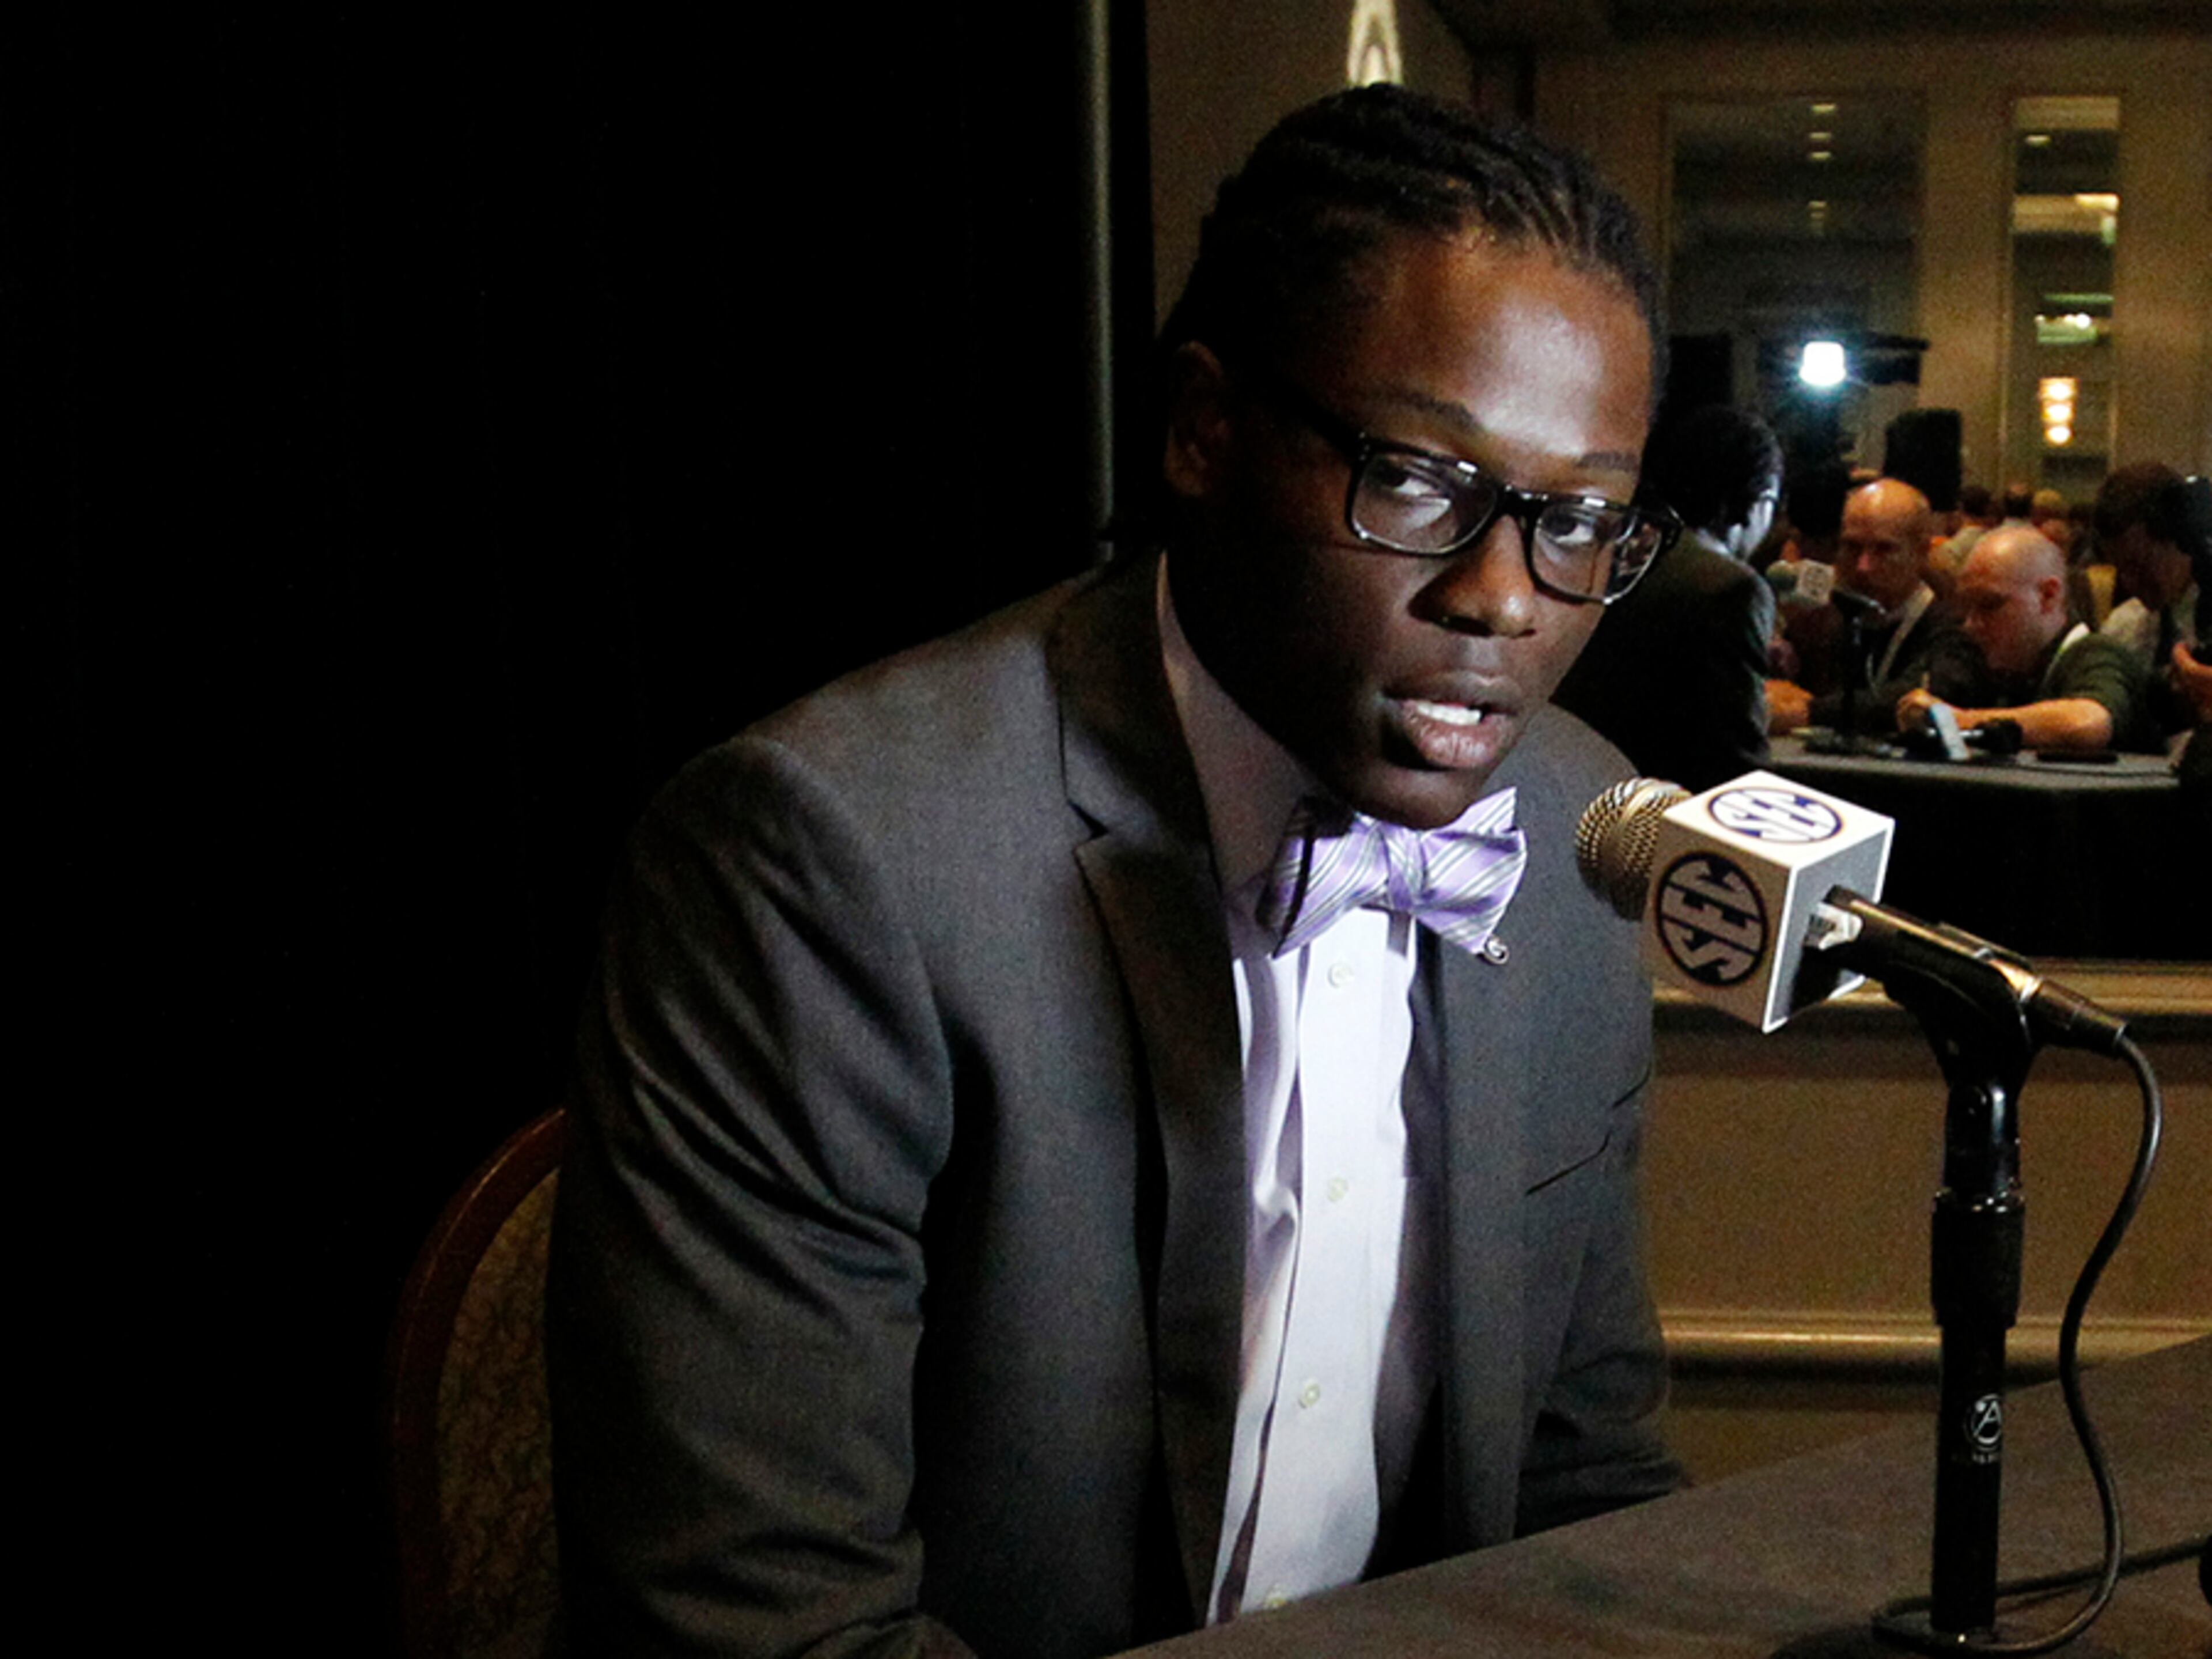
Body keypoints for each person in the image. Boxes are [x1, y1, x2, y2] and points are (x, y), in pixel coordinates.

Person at [547, 87, 1685, 1659]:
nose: (1505, 598)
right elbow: (765, 1627)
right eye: (1419, 480)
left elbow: (1588, 1490)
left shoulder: (1573, 822)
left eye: (1578, 521)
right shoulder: (827, 860)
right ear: (1204, 430)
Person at [1553, 402, 1779, 788]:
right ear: (1754, 503)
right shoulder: (1731, 589)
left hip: (1566, 784)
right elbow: (1735, 765)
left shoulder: (1609, 554)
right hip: (1664, 810)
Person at [1896, 525, 2154, 753]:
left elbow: (2087, 723)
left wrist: (1957, 721)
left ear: (2048, 596)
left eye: (1990, 605)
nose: (1971, 624)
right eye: (1967, 608)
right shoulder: (2010, 671)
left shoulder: (2098, 655)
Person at [1769, 476, 1980, 736]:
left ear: (1921, 552)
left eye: (1884, 550)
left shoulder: (1951, 632)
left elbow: (1918, 700)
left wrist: (1811, 712)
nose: (1863, 567)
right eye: (1852, 547)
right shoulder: (1821, 620)